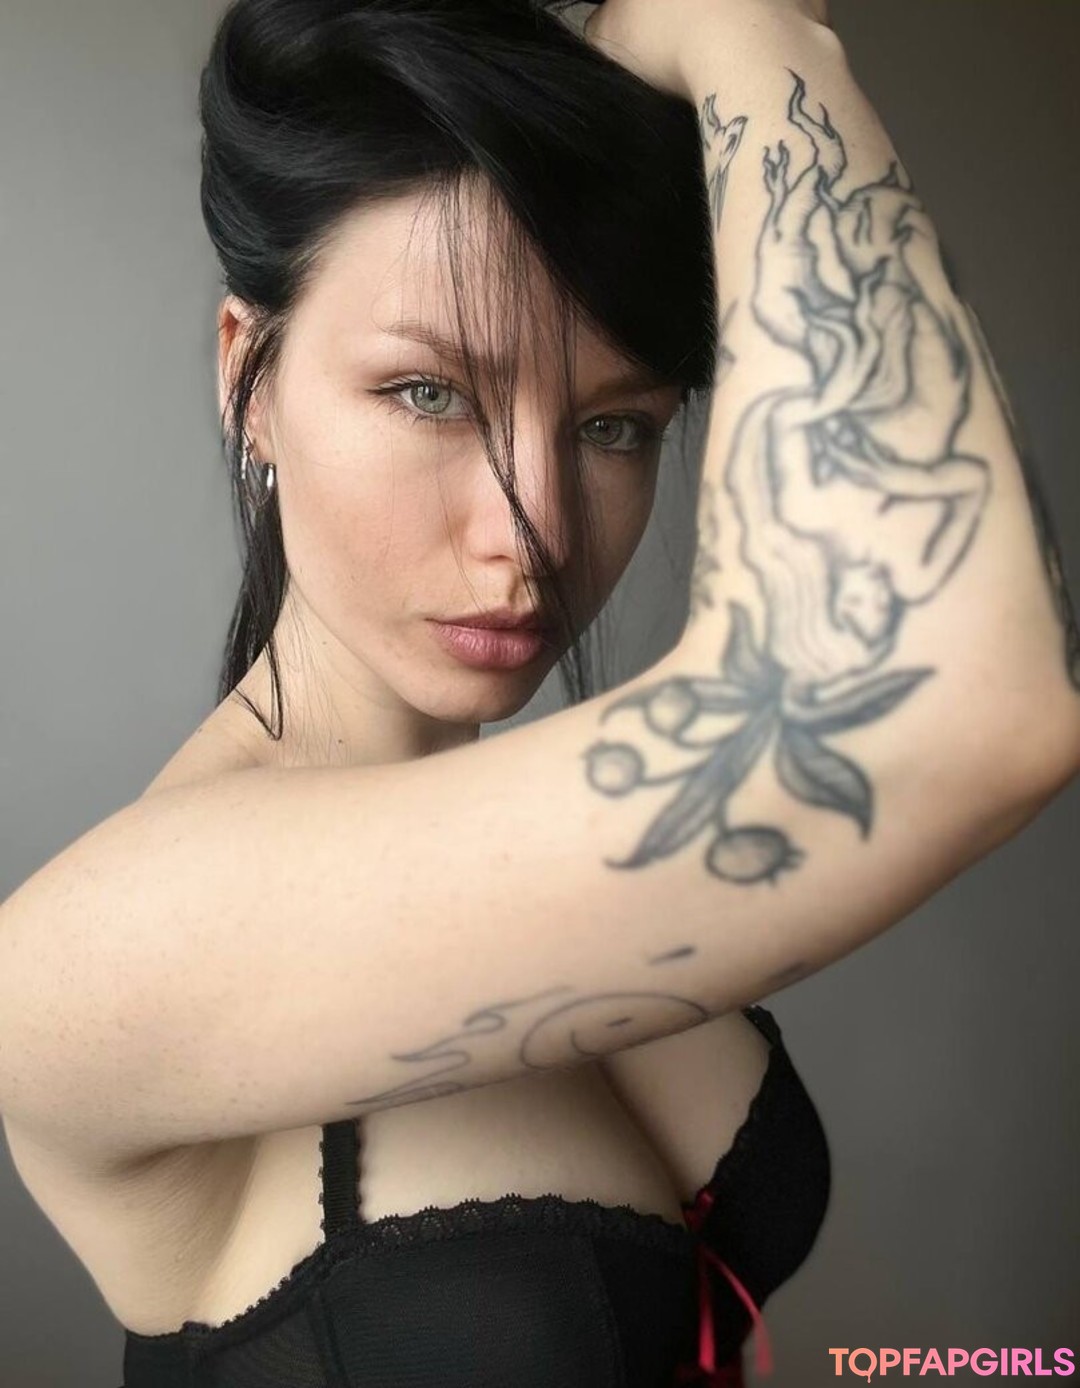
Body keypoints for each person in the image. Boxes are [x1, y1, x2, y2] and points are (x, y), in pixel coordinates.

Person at [1, 0, 1078, 1384]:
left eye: (613, 425)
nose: (538, 533)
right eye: (431, 395)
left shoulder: (539, 815)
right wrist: (753, 35)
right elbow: (963, 682)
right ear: (248, 380)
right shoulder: (102, 953)